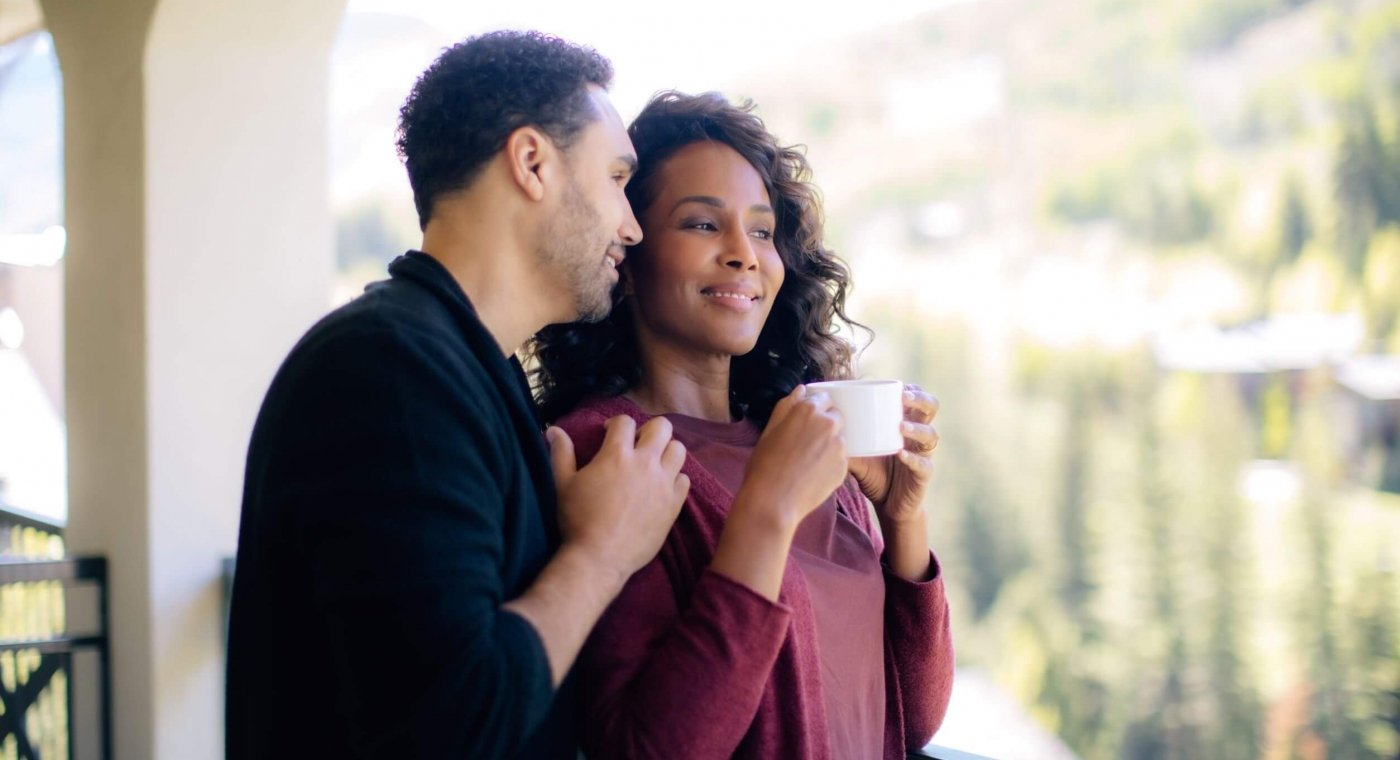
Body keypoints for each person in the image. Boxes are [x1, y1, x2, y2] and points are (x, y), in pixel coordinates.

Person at [225, 31, 690, 759]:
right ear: (532, 162)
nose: (631, 225)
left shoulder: (462, 366)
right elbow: (453, 724)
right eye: (616, 179)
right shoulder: (388, 373)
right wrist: (602, 554)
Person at [529, 91, 955, 760]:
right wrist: (768, 510)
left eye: (761, 230)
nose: (744, 254)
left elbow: (911, 717)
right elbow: (649, 748)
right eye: (702, 224)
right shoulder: (610, 452)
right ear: (630, 255)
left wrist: (903, 520)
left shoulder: (803, 434)